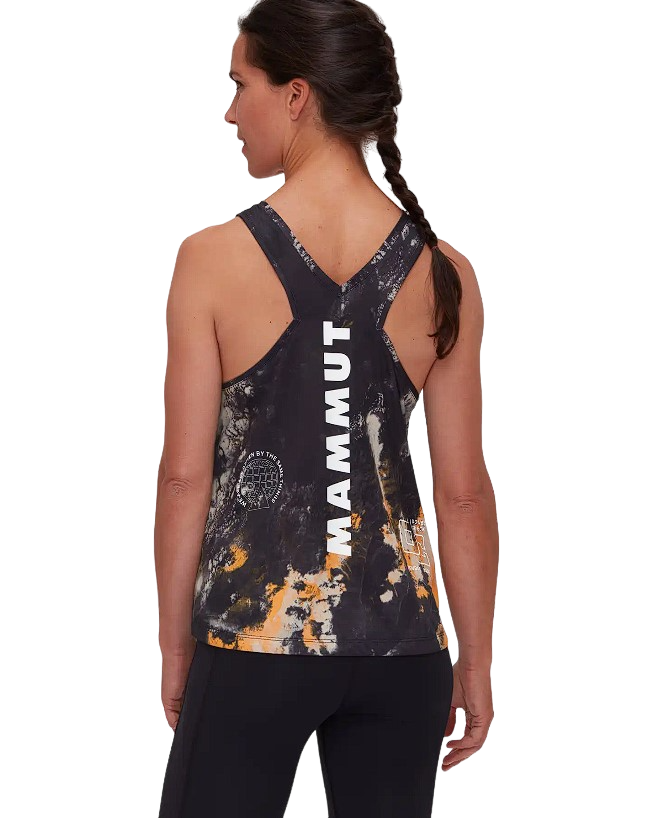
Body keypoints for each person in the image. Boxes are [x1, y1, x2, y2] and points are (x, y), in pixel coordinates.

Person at [154, 1, 499, 815]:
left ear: (296, 93)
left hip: (254, 640)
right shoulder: (443, 271)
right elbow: (462, 495)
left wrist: (175, 645)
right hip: (402, 649)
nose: (230, 112)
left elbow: (183, 479)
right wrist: (475, 659)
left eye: (240, 84)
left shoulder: (211, 260)